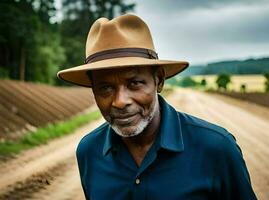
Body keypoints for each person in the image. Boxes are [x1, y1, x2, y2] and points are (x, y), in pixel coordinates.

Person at [57, 14, 257, 200]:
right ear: (93, 90)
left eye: (134, 83)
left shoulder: (217, 148)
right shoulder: (89, 151)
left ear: (159, 80)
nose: (119, 101)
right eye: (105, 88)